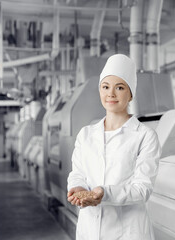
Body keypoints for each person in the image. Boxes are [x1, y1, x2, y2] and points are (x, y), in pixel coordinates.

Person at [67, 54, 161, 240]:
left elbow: (142, 189)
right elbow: (78, 172)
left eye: (119, 87)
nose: (111, 94)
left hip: (128, 231)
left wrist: (104, 193)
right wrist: (77, 188)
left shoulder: (145, 136)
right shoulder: (85, 134)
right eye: (105, 87)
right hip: (90, 229)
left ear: (131, 93)